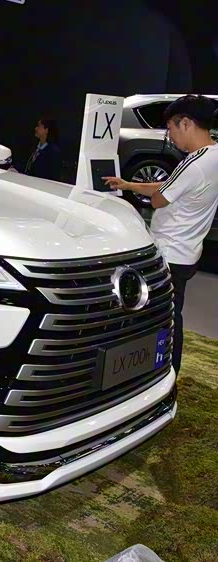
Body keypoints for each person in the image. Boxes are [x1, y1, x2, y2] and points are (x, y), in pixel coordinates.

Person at [104, 95, 218, 375]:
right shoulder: (213, 156)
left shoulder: (195, 163)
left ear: (186, 123)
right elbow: (172, 185)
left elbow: (160, 199)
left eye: (170, 128)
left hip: (170, 253)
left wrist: (144, 191)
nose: (170, 137)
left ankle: (165, 372)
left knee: (164, 319)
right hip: (188, 251)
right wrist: (129, 184)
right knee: (170, 314)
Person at [22, 117, 62, 181]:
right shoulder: (34, 147)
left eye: (38, 126)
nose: (35, 128)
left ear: (46, 130)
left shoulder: (53, 152)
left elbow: (52, 176)